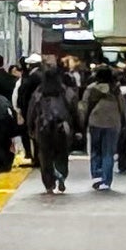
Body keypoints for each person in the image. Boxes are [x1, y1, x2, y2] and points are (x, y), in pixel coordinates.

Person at [23, 61, 79, 195]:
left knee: (45, 156)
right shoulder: (66, 92)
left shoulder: (39, 92)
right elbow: (75, 111)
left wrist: (30, 127)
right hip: (62, 128)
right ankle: (61, 176)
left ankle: (49, 184)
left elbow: (31, 111)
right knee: (62, 154)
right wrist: (77, 128)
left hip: (43, 128)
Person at [83, 59, 126, 193]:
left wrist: (82, 123)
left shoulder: (91, 89)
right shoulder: (115, 90)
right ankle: (106, 181)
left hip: (95, 122)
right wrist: (125, 123)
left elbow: (84, 107)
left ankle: (96, 177)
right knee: (108, 152)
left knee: (95, 150)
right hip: (113, 123)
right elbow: (122, 107)